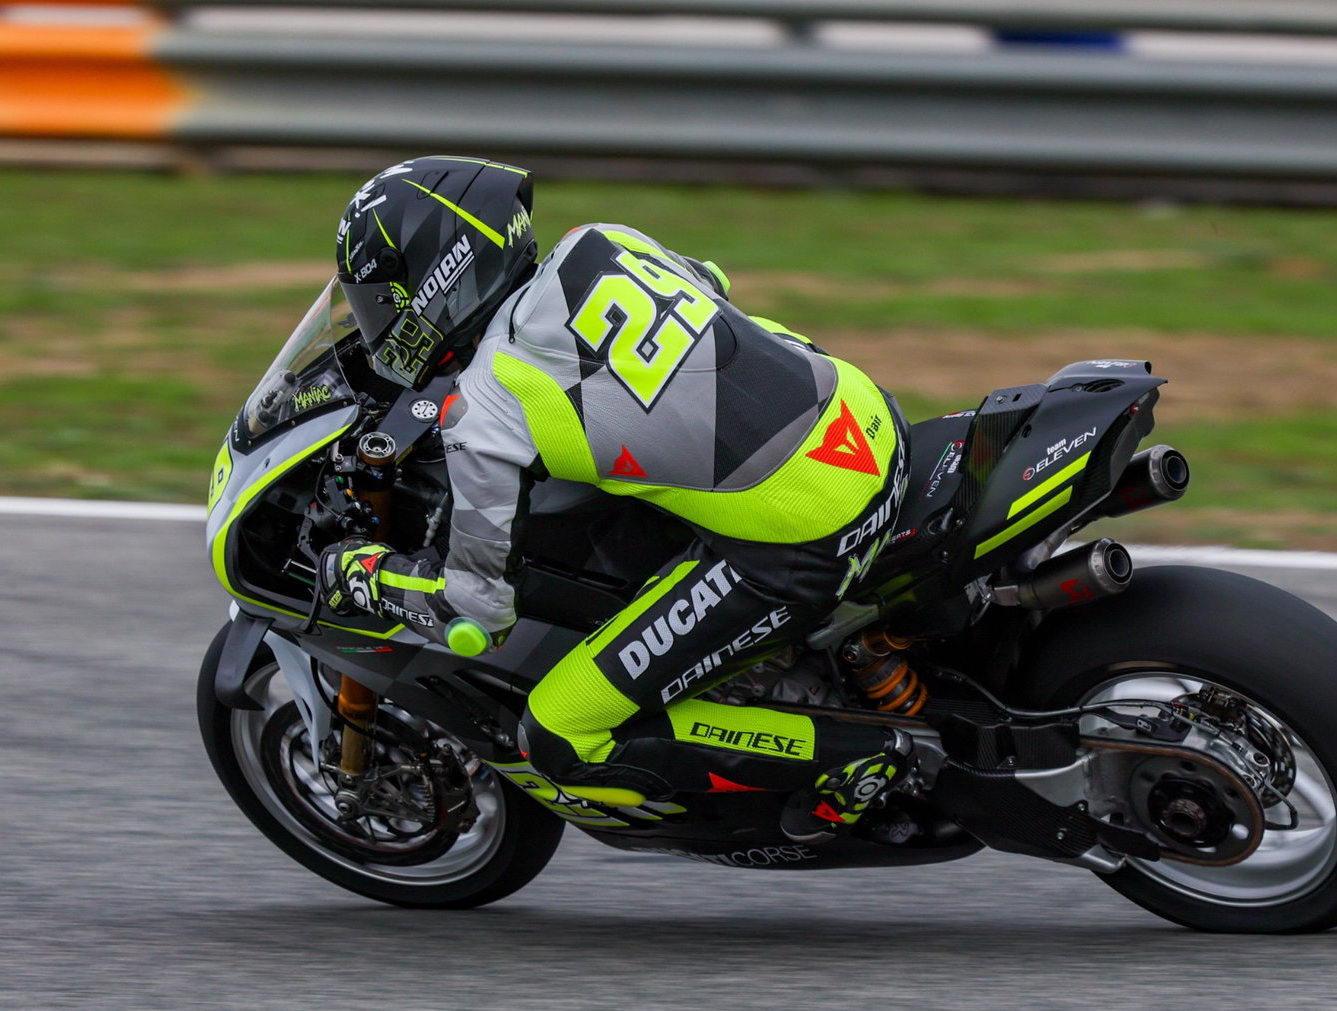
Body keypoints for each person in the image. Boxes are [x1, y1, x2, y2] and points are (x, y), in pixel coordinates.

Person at [318, 156, 911, 842]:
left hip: (811, 525)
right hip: (863, 415)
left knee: (560, 737)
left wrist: (360, 578)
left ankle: (858, 758)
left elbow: (478, 609)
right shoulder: (597, 240)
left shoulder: (488, 407)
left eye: (382, 305)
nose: (375, 326)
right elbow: (711, 284)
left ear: (435, 280)